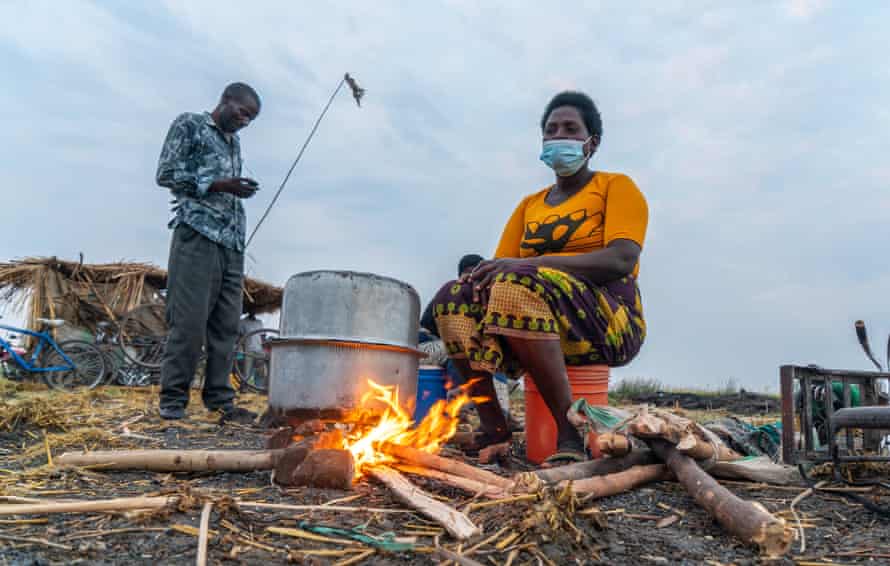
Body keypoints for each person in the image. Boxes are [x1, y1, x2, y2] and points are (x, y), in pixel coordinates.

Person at [431, 91, 649, 465]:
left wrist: (535, 266)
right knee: (450, 298)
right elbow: (499, 269)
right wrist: (473, 283)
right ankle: (494, 427)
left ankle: (570, 429)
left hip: (608, 321)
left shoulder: (615, 187)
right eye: (550, 130)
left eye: (570, 128)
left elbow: (621, 258)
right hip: (535, 324)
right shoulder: (529, 205)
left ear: (591, 143)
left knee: (518, 284)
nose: (558, 136)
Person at [155, 82, 262, 422]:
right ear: (225, 100)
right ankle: (173, 400)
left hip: (231, 243)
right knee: (188, 321)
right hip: (197, 234)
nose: (245, 120)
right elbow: (166, 174)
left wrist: (237, 189)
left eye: (251, 118)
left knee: (227, 325)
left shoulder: (234, 143)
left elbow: (225, 186)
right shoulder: (190, 125)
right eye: (242, 112)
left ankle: (219, 399)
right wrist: (220, 185)